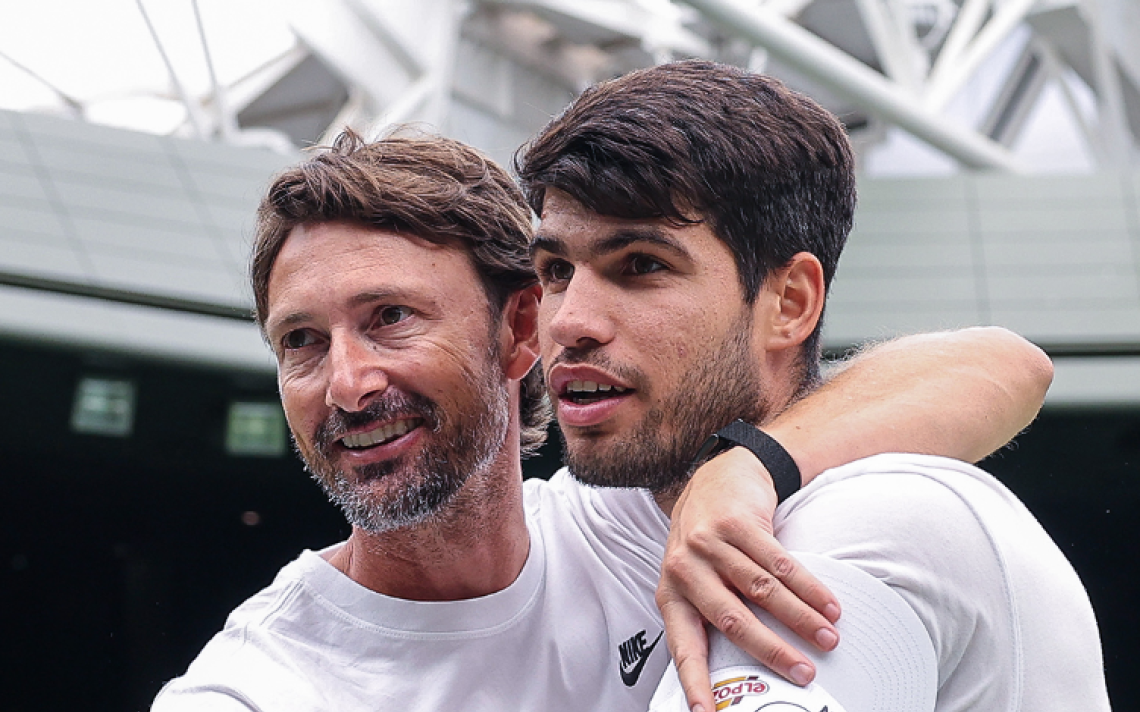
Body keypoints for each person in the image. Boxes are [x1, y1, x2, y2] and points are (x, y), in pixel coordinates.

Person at [152, 128, 1049, 710]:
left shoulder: (637, 519)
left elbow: (1001, 365)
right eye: (302, 342)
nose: (346, 384)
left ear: (520, 331)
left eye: (390, 319)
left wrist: (749, 467)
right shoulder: (253, 691)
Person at [514, 59, 1110, 711]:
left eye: (640, 266)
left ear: (791, 302)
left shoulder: (871, 522)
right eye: (555, 269)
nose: (569, 321)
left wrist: (746, 464)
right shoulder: (542, 533)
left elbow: (1009, 362)